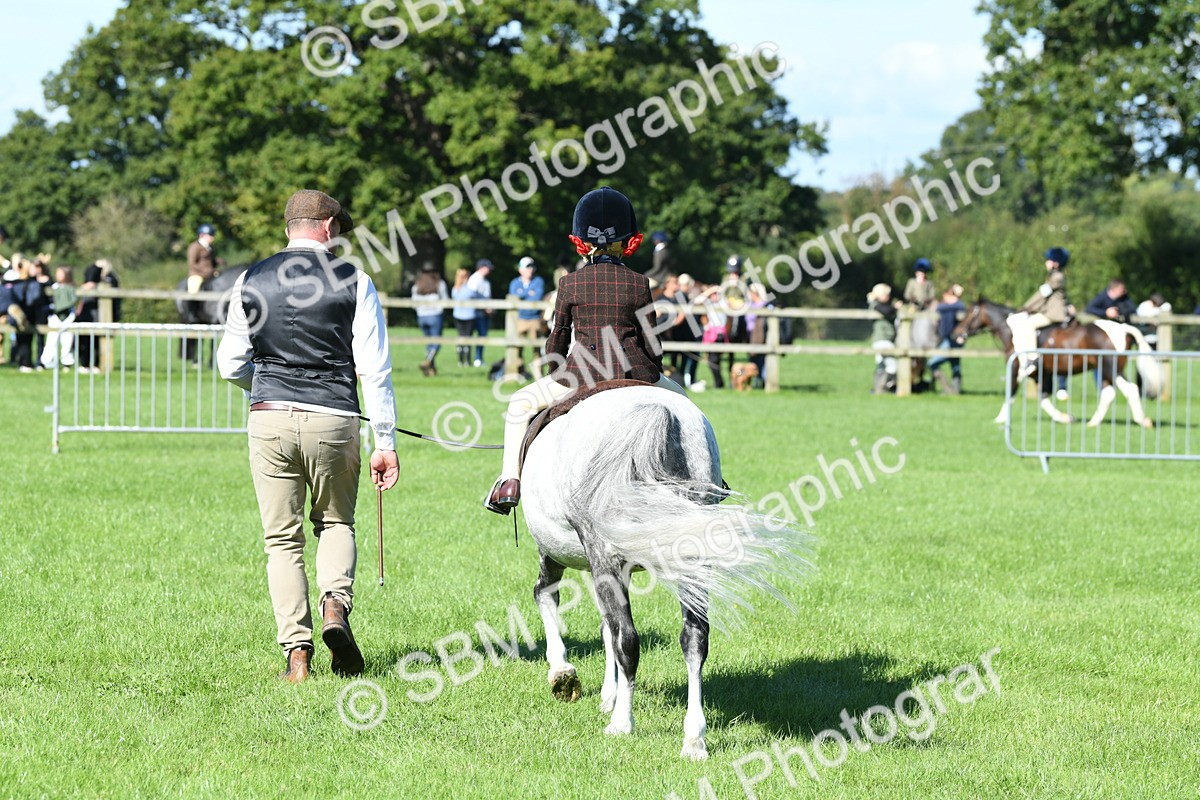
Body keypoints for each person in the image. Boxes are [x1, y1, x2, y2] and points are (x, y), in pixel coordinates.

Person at [217, 189, 399, 684]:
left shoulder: (250, 278)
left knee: (282, 541)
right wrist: (386, 439)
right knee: (336, 522)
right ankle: (335, 606)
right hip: (335, 417)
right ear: (328, 226)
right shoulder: (355, 279)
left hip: (269, 414)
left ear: (288, 228)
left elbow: (229, 363)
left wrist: (264, 387)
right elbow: (374, 370)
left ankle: (297, 656)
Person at [484, 187, 689, 515]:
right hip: (635, 374)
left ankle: (509, 482)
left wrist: (558, 373)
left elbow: (557, 341)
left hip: (582, 374)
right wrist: (651, 371)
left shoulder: (570, 284)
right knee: (685, 403)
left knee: (519, 404)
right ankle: (702, 479)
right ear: (628, 241)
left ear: (582, 241)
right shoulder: (639, 283)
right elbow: (652, 344)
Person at [1007, 246, 1071, 379]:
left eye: (1049, 260)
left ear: (1056, 263)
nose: (1046, 262)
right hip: (1047, 311)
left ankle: (1032, 358)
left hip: (1054, 314)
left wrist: (1025, 307)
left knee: (1028, 324)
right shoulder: (1053, 276)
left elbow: (1041, 294)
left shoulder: (1057, 277)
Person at [927, 284, 965, 394]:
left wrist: (953, 301)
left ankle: (949, 389)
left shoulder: (956, 306)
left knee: (932, 363)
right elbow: (940, 307)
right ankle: (953, 390)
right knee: (955, 366)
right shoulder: (950, 307)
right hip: (949, 340)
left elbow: (958, 305)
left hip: (952, 340)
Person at [412, 263, 448, 376]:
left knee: (429, 343)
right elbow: (445, 300)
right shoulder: (439, 284)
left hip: (421, 316)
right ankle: (427, 361)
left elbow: (413, 303)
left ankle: (430, 370)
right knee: (436, 342)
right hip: (435, 315)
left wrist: (421, 310)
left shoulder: (417, 285)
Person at [508, 256, 545, 363]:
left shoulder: (538, 281)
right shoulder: (514, 282)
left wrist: (522, 295)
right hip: (519, 318)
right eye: (527, 267)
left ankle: (538, 372)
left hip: (535, 318)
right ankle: (519, 370)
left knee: (536, 348)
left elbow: (537, 297)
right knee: (516, 347)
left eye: (532, 267)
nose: (530, 270)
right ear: (520, 269)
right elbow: (514, 297)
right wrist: (529, 293)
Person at [868, 283, 900, 394]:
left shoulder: (880, 305)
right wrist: (895, 307)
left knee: (881, 366)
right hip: (883, 340)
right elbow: (888, 311)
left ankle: (878, 389)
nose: (889, 297)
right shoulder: (875, 305)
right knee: (893, 366)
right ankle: (882, 388)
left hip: (882, 340)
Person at [467, 259, 493, 366]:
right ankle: (476, 358)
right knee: (479, 335)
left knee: (482, 335)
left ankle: (479, 358)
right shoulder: (475, 278)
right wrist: (485, 306)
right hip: (476, 312)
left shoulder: (484, 280)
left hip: (482, 312)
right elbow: (472, 294)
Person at [450, 267, 476, 366]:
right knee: (465, 338)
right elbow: (471, 295)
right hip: (464, 316)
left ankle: (463, 360)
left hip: (465, 316)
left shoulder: (457, 289)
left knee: (464, 338)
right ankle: (464, 360)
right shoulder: (461, 289)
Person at [187, 224, 222, 294]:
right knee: (193, 291)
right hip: (197, 275)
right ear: (202, 235)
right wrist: (208, 272)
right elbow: (192, 264)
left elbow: (210, 261)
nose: (212, 238)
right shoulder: (194, 247)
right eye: (210, 235)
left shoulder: (209, 248)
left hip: (210, 275)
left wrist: (220, 261)